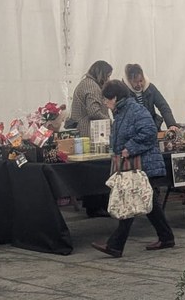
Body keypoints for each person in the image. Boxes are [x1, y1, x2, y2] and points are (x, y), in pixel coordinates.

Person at [91, 80, 175, 258]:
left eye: (106, 99)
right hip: (141, 165)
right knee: (149, 203)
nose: (105, 103)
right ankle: (166, 237)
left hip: (144, 165)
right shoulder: (123, 111)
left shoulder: (134, 110)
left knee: (130, 202)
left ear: (114, 97)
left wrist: (130, 147)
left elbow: (149, 132)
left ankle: (115, 245)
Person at [124, 64, 177, 130]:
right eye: (135, 82)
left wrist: (171, 124)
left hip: (151, 127)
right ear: (129, 81)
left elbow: (163, 106)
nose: (139, 84)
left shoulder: (150, 88)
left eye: (141, 81)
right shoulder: (123, 91)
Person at [69, 60, 113, 136]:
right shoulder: (92, 87)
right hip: (87, 132)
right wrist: (109, 121)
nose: (109, 80)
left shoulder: (85, 83)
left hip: (81, 130)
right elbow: (94, 112)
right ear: (101, 75)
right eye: (108, 76)